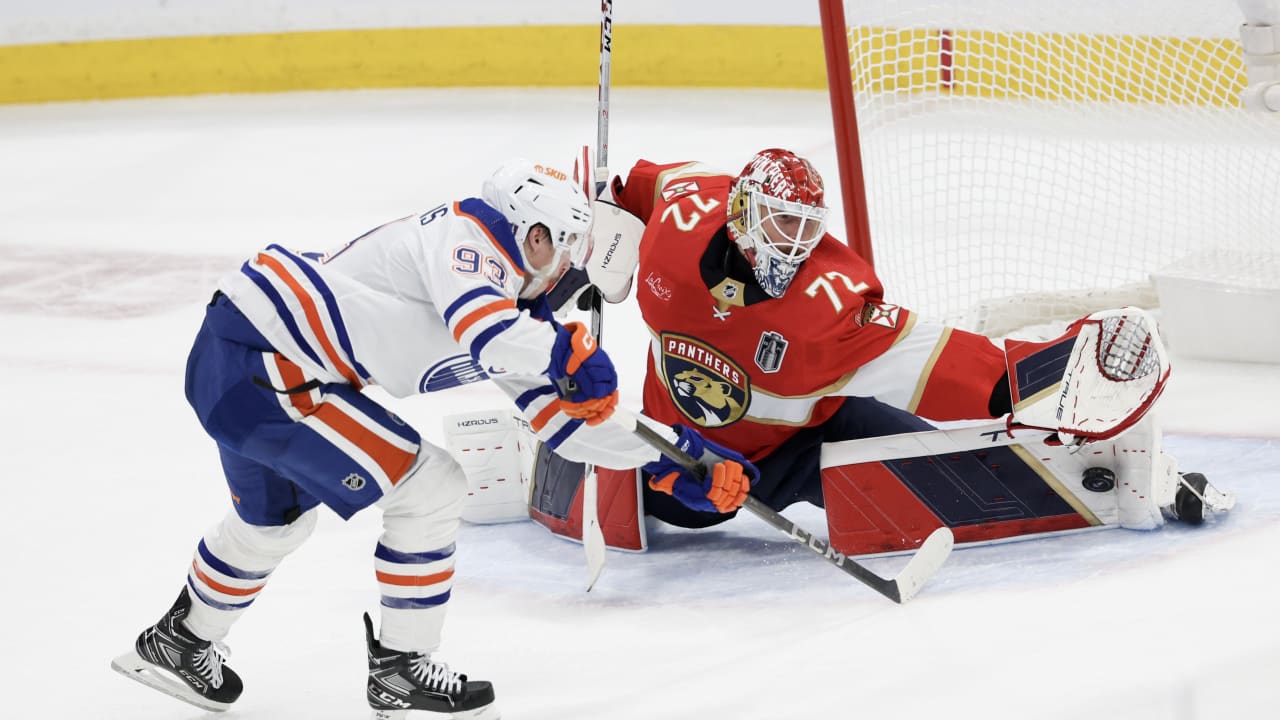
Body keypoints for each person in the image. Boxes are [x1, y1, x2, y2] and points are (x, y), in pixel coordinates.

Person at [110, 158, 756, 719]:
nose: (571, 269)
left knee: (275, 523)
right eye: (566, 247)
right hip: (266, 361)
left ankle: (180, 644)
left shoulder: (517, 311)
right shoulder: (465, 236)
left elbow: (564, 424)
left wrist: (674, 456)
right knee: (432, 488)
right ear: (532, 234)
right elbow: (488, 332)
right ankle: (400, 671)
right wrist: (563, 350)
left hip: (254, 362)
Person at [588, 148, 1213, 537]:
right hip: (691, 458)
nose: (794, 244)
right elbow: (644, 185)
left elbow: (938, 360)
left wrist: (1040, 378)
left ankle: (1128, 486)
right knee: (684, 501)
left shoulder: (826, 310)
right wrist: (601, 216)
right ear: (741, 211)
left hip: (806, 440)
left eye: (808, 229)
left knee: (941, 475)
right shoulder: (680, 218)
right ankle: (655, 474)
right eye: (781, 224)